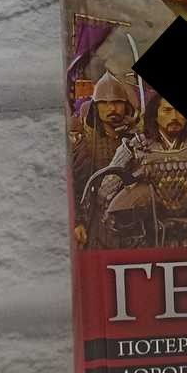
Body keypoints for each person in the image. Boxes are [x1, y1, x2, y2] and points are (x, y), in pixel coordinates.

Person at [82, 92, 187, 249]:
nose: (175, 117)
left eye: (179, 112)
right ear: (155, 115)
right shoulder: (134, 147)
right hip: (150, 238)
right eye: (167, 110)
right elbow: (106, 193)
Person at [70, 72, 137, 246]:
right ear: (96, 107)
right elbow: (74, 186)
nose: (111, 108)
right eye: (104, 103)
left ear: (126, 105)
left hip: (133, 221)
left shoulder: (137, 138)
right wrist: (77, 222)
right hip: (96, 219)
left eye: (117, 102)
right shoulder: (86, 142)